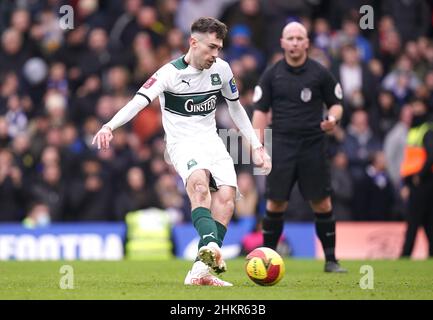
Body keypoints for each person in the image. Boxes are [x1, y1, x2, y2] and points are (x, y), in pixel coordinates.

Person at [92, 17, 271, 286]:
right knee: (199, 188)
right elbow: (137, 102)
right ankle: (211, 246)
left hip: (212, 141)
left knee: (227, 200)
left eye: (219, 48)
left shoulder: (222, 69)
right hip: (182, 144)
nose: (215, 54)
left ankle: (200, 271)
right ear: (193, 42)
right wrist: (109, 126)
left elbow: (236, 109)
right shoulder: (169, 74)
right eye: (211, 47)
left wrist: (256, 145)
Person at [252, 21, 347, 273]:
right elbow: (260, 111)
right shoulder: (271, 74)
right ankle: (266, 259)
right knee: (275, 204)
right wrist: (257, 146)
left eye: (299, 38)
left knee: (322, 203)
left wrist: (333, 119)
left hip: (313, 145)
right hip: (281, 145)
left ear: (307, 43)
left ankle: (331, 260)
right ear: (282, 43)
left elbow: (336, 102)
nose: (294, 42)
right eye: (290, 38)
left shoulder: (319, 73)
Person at [399, 100, 433, 258]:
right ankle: (432, 253)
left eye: (418, 106)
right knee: (429, 220)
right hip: (418, 180)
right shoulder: (415, 130)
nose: (415, 110)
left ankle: (406, 254)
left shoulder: (426, 130)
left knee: (414, 219)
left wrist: (418, 176)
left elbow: (432, 155)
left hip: (423, 180)